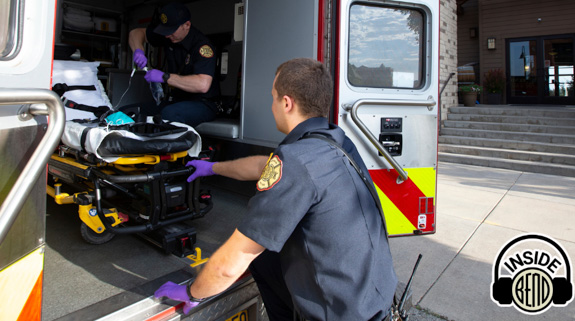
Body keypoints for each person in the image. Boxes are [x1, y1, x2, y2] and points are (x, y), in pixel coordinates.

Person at [154, 58, 398, 320]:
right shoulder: (337, 143)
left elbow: (233, 261)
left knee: (255, 251)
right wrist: (212, 168)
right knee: (267, 259)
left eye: (273, 97)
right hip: (374, 299)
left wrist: (194, 292)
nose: (271, 105)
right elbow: (264, 165)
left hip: (339, 314)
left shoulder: (296, 161)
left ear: (286, 103)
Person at [127, 2, 220, 127]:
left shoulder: (202, 46)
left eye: (171, 31)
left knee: (169, 114)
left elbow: (203, 84)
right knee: (129, 112)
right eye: (165, 31)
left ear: (186, 25)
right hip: (177, 101)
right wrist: (139, 50)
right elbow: (136, 33)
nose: (167, 35)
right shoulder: (169, 36)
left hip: (203, 103)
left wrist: (165, 77)